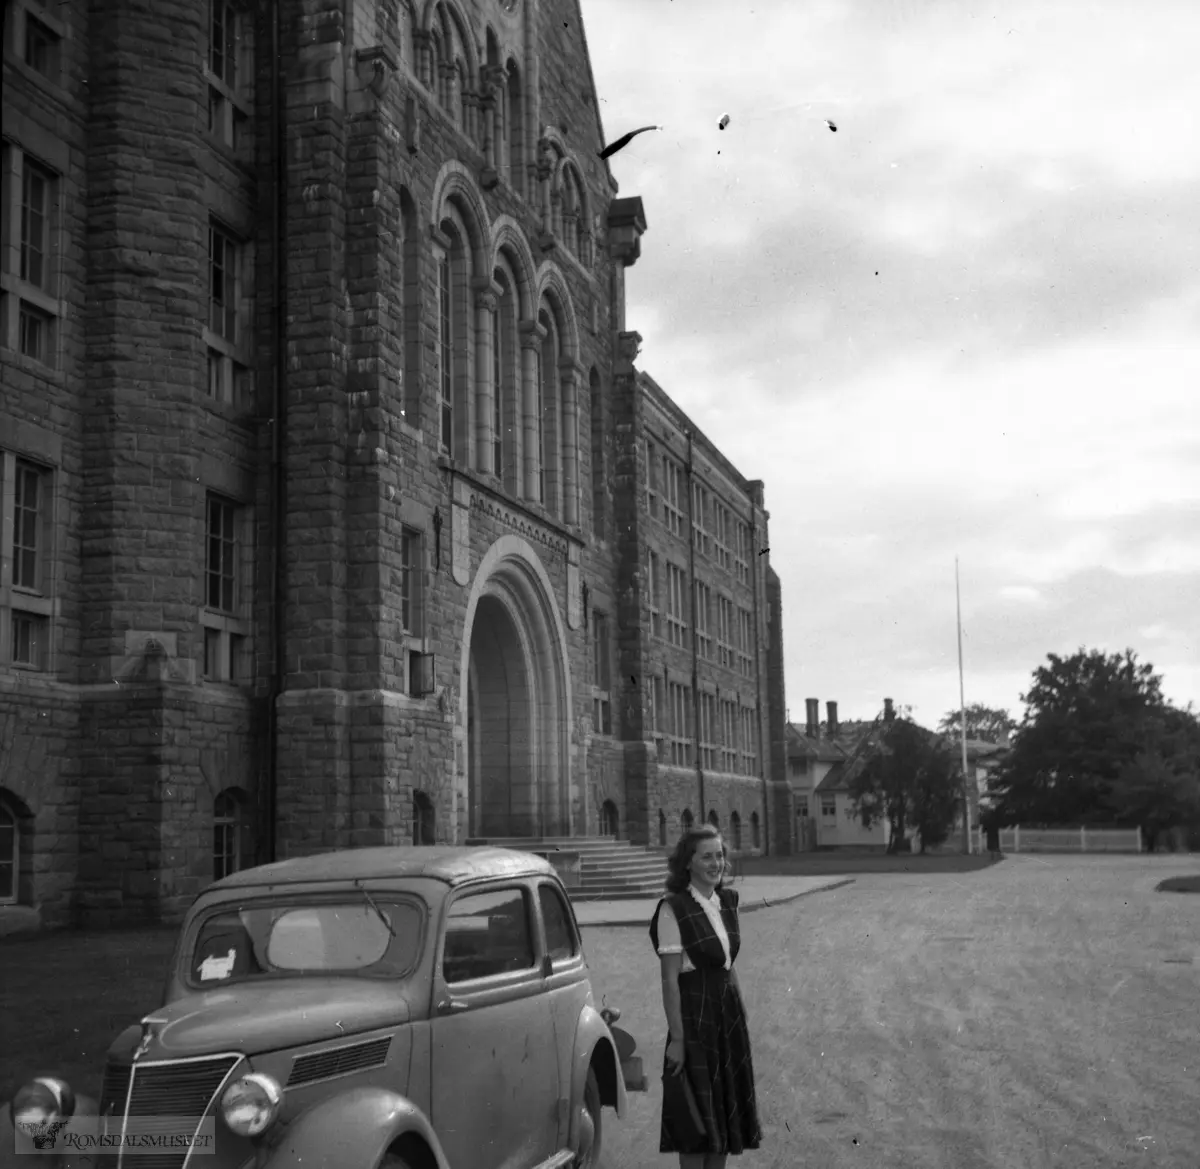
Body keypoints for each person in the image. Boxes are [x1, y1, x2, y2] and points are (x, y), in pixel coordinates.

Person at [649, 824, 762, 1168]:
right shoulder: (674, 908)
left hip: (727, 1017)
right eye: (707, 856)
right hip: (695, 1017)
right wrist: (678, 1039)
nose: (716, 863)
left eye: (720, 855)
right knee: (696, 1124)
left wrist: (740, 1018)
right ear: (688, 863)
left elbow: (729, 965)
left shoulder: (728, 901)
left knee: (723, 1120)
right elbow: (670, 980)